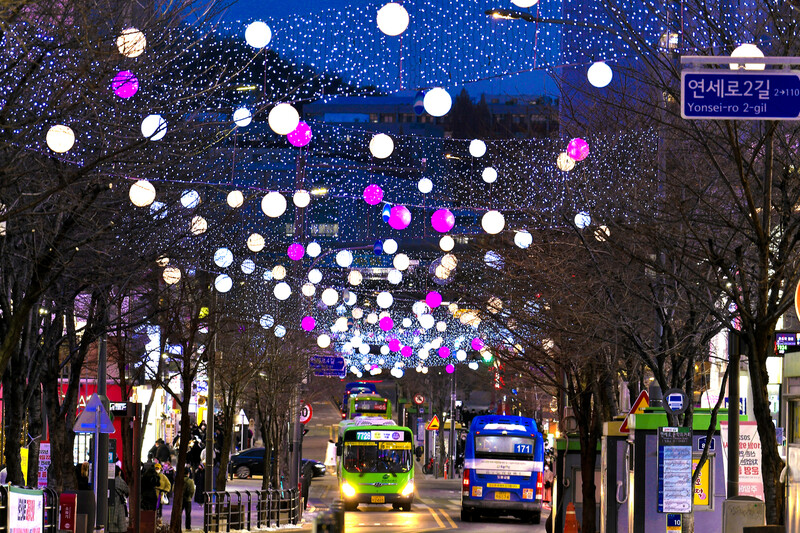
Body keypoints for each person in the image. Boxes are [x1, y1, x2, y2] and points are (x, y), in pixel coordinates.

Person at [109, 466, 129, 533]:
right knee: (120, 523)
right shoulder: (119, 480)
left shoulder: (109, 479)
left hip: (110, 504)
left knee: (111, 523)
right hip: (119, 504)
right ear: (119, 472)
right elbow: (127, 490)